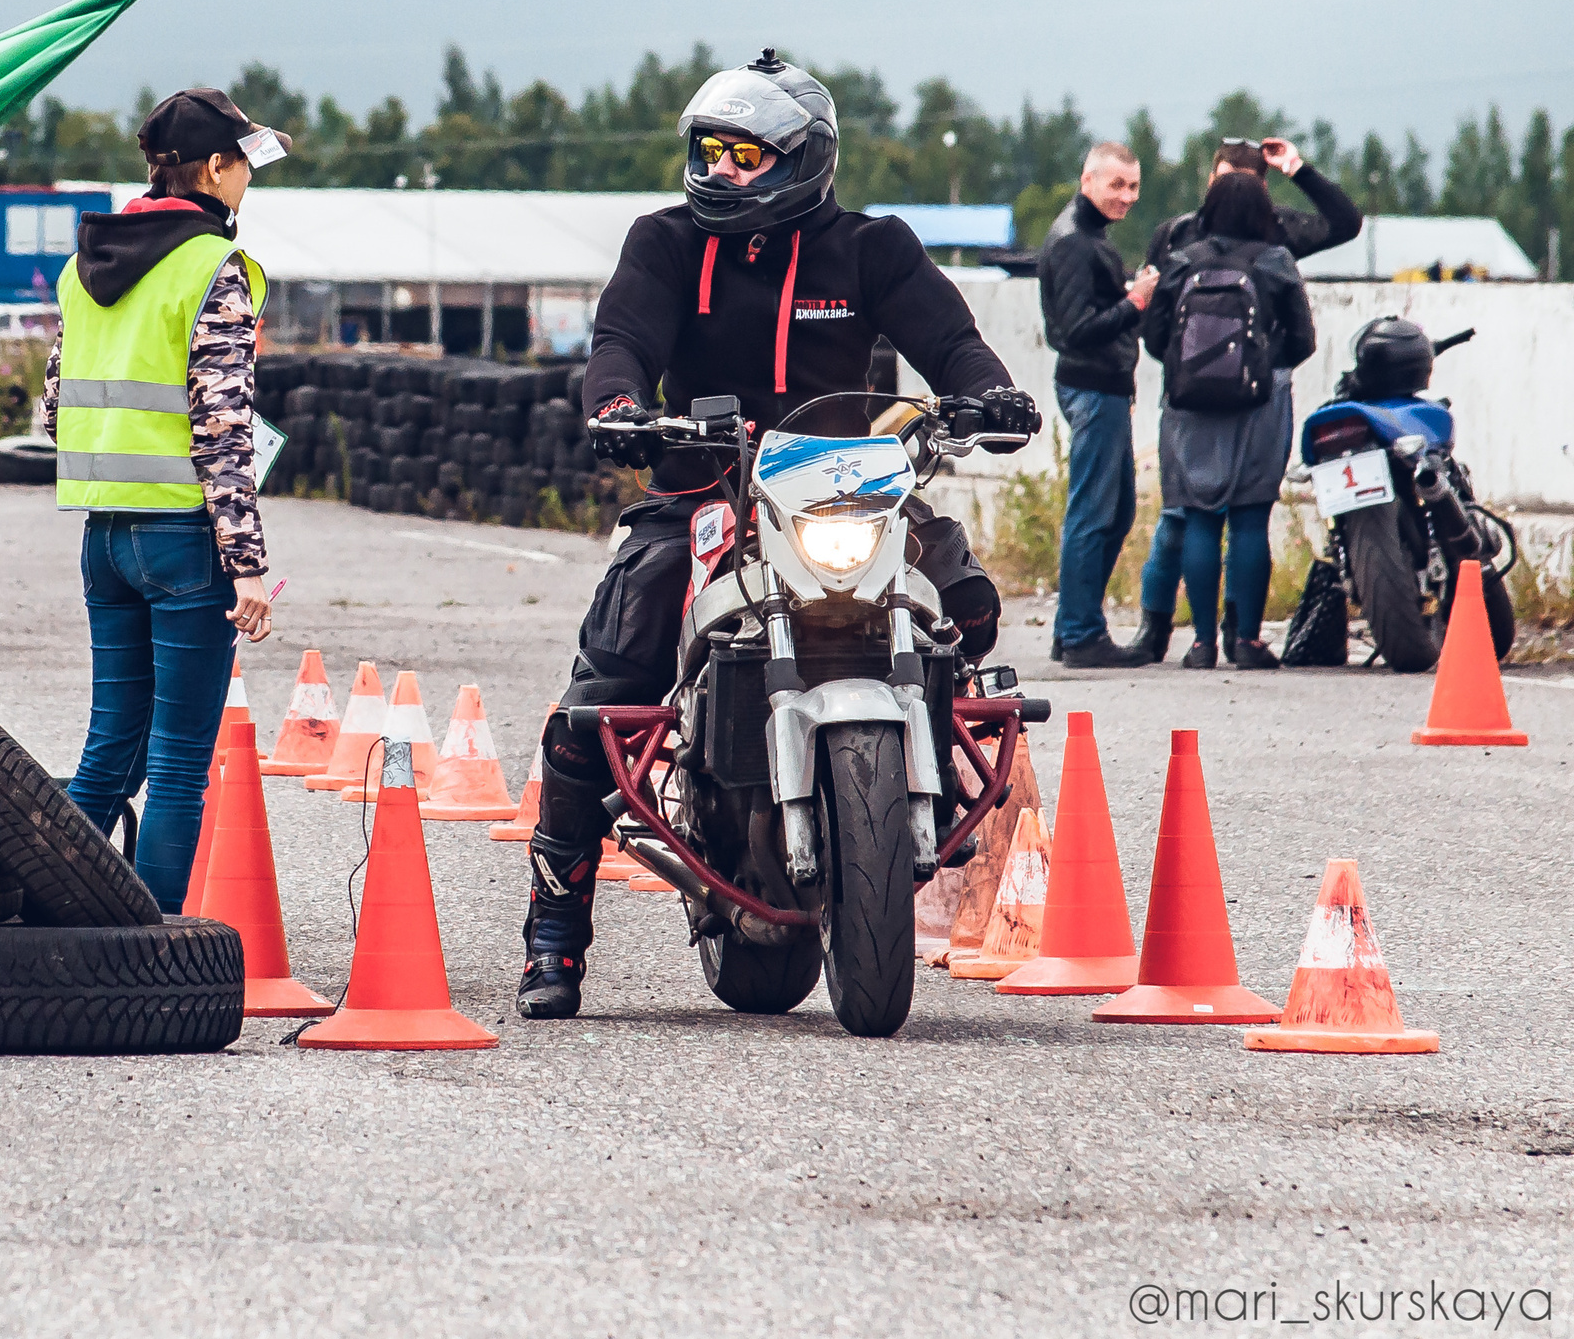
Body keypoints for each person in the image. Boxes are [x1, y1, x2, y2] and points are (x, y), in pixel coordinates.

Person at [523, 50, 1040, 1020]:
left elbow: (948, 338)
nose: (721, 171)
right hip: (704, 484)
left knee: (961, 594)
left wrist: (986, 393)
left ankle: (931, 740)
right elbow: (621, 339)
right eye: (710, 152)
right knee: (612, 673)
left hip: (847, 488)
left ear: (804, 160)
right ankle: (554, 932)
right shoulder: (666, 242)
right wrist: (620, 404)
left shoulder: (872, 248)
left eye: (745, 156)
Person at [49, 88, 281, 911]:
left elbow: (54, 402)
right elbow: (223, 429)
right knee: (180, 760)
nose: (251, 178)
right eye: (246, 161)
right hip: (183, 540)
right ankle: (148, 954)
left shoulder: (86, 265)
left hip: (103, 536)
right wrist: (247, 565)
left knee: (109, 748)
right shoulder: (211, 266)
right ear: (215, 168)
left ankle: (54, 916)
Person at [1124, 137, 1360, 662]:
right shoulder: (1277, 257)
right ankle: (1248, 641)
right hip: (1261, 404)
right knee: (1251, 518)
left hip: (1188, 408)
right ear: (1264, 203)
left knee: (1199, 519)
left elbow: (1155, 335)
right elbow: (1303, 341)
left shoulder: (1180, 255)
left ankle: (1203, 643)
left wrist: (1192, 372)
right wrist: (1265, 371)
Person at [1038, 143, 1157, 667]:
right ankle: (1082, 632)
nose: (1126, 197)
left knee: (1115, 511)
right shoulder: (1074, 243)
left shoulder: (1087, 238)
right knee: (1095, 512)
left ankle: (1073, 628)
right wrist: (1134, 303)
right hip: (1092, 388)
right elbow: (1072, 332)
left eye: (1133, 186)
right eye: (1116, 185)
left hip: (1105, 389)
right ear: (1088, 180)